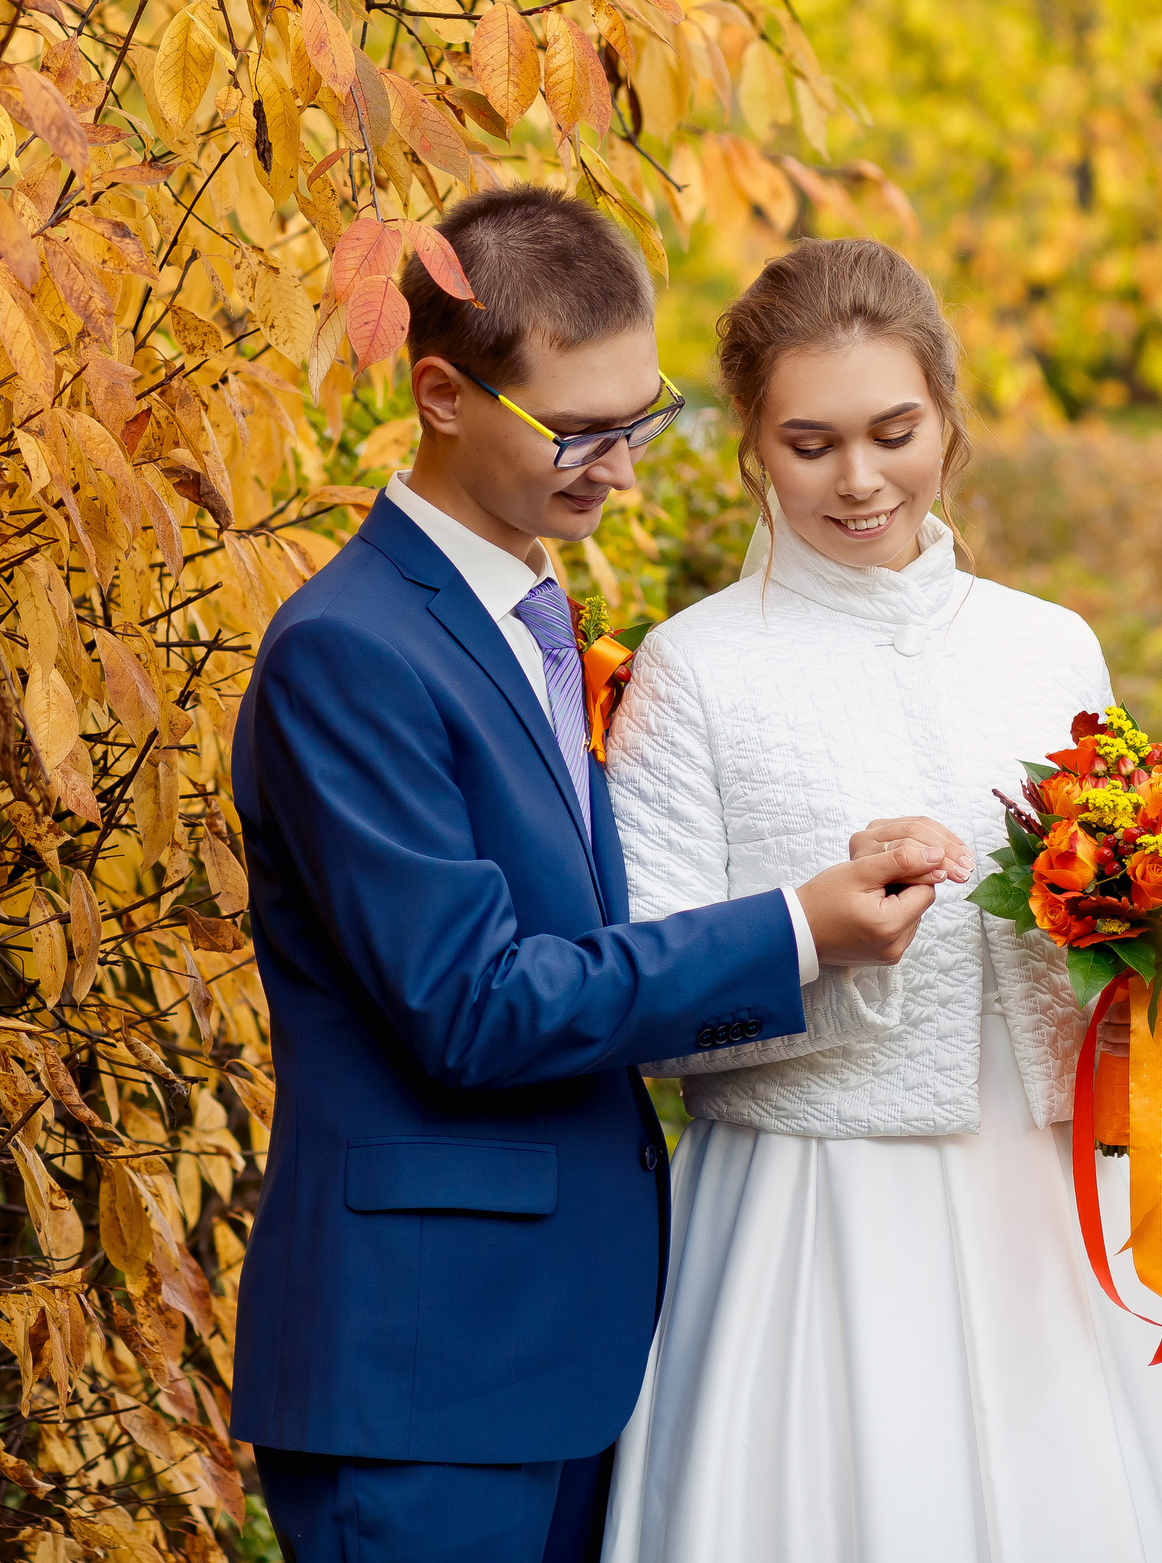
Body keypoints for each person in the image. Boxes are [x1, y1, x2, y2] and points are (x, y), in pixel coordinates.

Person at [229, 191, 956, 1563]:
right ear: (441, 393)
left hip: (570, 1351)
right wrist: (795, 929)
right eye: (579, 431)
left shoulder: (530, 611)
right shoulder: (349, 651)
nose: (620, 467)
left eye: (643, 416)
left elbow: (595, 943)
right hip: (425, 1369)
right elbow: (474, 1005)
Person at [598, 238, 1162, 1563]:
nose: (859, 479)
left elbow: (1110, 953)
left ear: (949, 421)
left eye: (894, 431)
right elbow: (651, 1011)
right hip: (812, 1220)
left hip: (1052, 1213)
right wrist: (827, 935)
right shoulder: (696, 670)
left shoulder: (1049, 644)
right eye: (810, 441)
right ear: (752, 446)